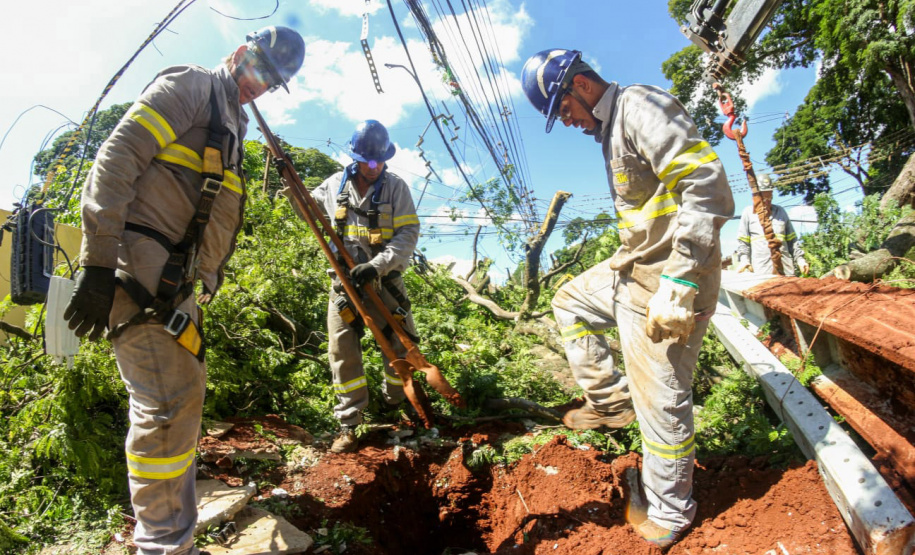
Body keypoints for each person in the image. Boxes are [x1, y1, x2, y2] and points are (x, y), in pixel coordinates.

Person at [62, 26, 305, 555]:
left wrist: (206, 278)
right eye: (259, 68)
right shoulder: (193, 86)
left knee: (181, 397)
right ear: (239, 53)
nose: (260, 84)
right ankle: (165, 545)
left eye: (272, 81)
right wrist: (98, 261)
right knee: (167, 404)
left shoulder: (233, 121)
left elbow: (213, 208)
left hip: (174, 282)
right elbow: (117, 157)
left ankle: (169, 535)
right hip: (140, 267)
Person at [521, 49, 734, 550]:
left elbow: (707, 186)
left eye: (564, 110)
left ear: (580, 85)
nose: (568, 122)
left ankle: (670, 512)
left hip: (669, 284)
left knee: (660, 399)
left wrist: (680, 281)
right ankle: (611, 404)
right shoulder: (612, 128)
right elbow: (648, 218)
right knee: (570, 300)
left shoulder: (639, 107)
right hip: (634, 273)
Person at [296, 120, 420, 454]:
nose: (373, 167)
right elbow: (306, 210)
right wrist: (292, 189)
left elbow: (408, 235)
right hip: (344, 287)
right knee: (342, 351)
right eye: (367, 161)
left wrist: (376, 265)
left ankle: (395, 406)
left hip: (385, 284)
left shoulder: (396, 189)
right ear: (355, 157)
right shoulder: (333, 185)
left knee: (399, 346)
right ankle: (350, 423)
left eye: (379, 161)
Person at [735, 174, 809, 275]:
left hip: (786, 271)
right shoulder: (748, 214)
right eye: (764, 199)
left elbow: (792, 241)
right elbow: (743, 243)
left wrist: (800, 259)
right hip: (762, 272)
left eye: (769, 198)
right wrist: (744, 260)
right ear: (757, 196)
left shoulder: (780, 212)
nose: (767, 202)